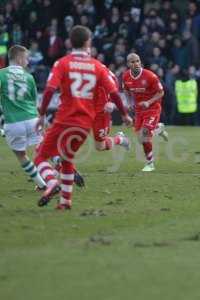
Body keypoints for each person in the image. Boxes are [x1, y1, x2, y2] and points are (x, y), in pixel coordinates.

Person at [34, 25, 132, 210]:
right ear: (88, 43)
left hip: (64, 119)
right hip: (85, 122)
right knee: (67, 158)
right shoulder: (96, 66)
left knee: (40, 156)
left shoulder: (62, 63)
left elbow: (49, 91)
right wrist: (125, 114)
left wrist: (41, 115)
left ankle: (51, 182)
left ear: (70, 42)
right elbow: (115, 92)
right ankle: (65, 202)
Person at [0, 45, 47, 190]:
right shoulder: (29, 77)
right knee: (44, 149)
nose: (28, 61)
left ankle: (42, 184)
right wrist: (40, 120)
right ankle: (65, 168)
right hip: (32, 119)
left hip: (13, 122)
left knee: (21, 155)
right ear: (19, 59)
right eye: (27, 58)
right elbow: (34, 103)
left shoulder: (1, 74)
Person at [122, 53, 168, 172]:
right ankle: (158, 129)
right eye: (132, 62)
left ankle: (150, 163)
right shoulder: (126, 76)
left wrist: (148, 102)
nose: (136, 63)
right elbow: (126, 90)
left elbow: (161, 92)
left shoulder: (150, 76)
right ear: (128, 64)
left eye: (137, 61)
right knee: (140, 139)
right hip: (139, 110)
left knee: (145, 135)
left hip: (153, 108)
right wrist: (129, 102)